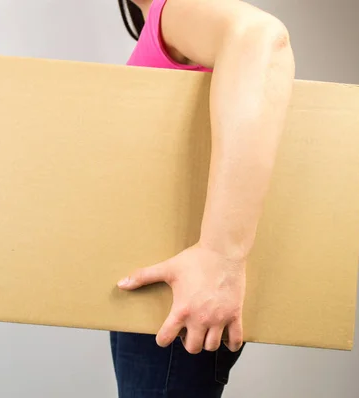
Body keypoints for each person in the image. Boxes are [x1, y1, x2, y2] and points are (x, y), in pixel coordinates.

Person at [111, 0, 295, 397]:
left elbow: (262, 36)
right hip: (163, 295)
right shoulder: (160, 19)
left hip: (185, 299)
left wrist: (221, 258)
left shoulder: (174, 8)